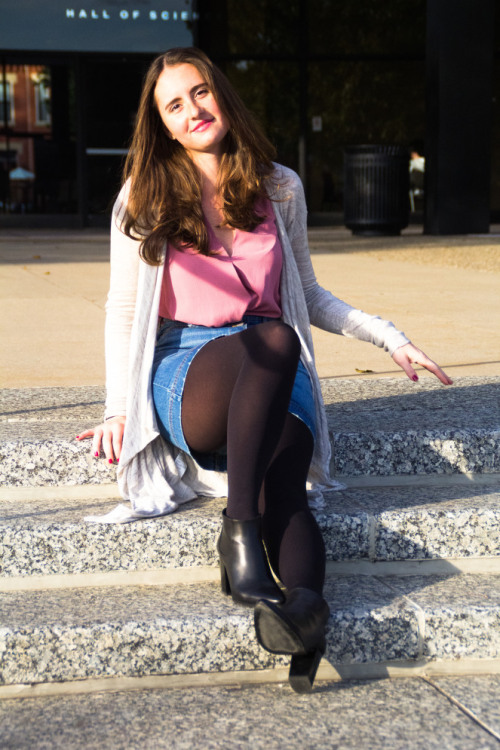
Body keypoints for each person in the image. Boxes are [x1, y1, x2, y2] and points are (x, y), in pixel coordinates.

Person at [77, 48, 452, 693]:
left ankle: (304, 616)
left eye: (200, 93)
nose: (193, 110)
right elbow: (125, 307)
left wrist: (388, 337)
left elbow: (309, 290)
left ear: (221, 94)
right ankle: (239, 531)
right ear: (162, 123)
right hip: (190, 366)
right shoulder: (143, 194)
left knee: (290, 481)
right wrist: (118, 406)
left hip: (276, 370)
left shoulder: (279, 185)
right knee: (275, 339)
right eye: (175, 104)